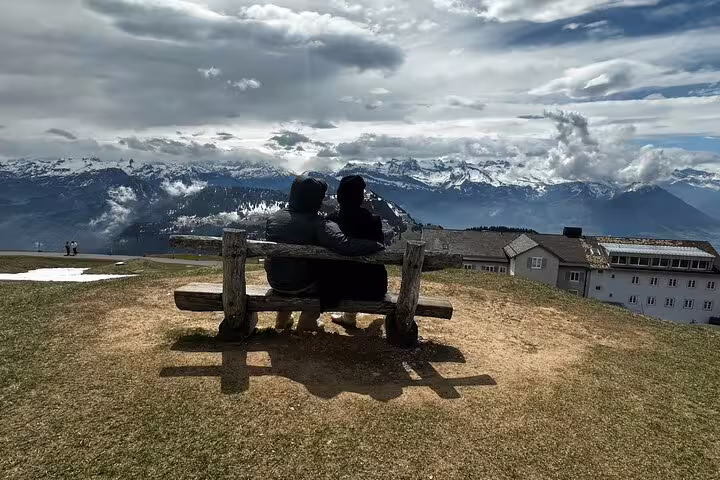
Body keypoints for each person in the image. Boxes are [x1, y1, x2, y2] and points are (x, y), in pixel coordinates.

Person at [265, 176, 384, 332]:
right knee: (323, 277)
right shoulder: (319, 224)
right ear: (314, 199)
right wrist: (375, 244)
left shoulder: (274, 218)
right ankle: (308, 322)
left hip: (275, 282)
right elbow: (346, 245)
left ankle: (283, 320)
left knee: (289, 267)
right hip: (303, 286)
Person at [326, 175, 389, 328]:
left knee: (345, 271)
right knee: (360, 271)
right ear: (361, 197)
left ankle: (348, 317)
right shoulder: (373, 222)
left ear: (340, 196)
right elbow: (380, 246)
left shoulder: (331, 221)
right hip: (372, 289)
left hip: (334, 288)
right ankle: (349, 317)